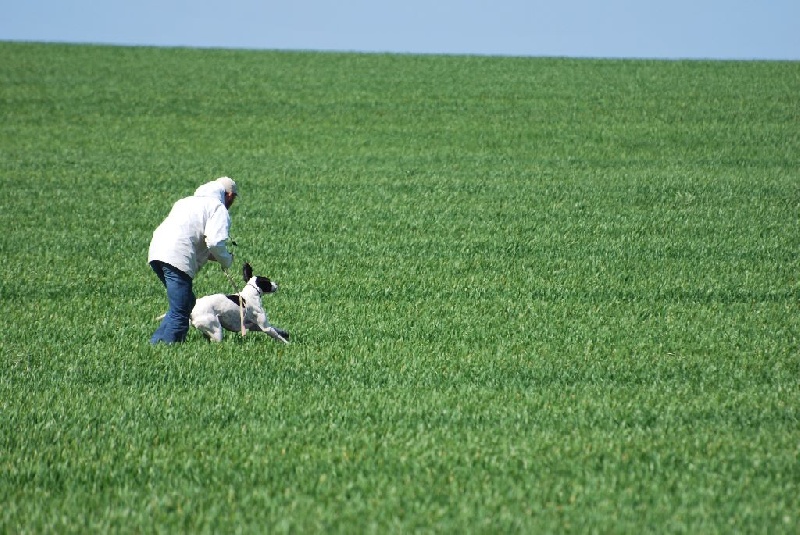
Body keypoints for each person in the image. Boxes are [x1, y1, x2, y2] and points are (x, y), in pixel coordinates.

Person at [148, 176, 238, 344]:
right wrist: (226, 260)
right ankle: (168, 347)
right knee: (181, 310)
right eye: (233, 199)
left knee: (187, 302)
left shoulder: (186, 202)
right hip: (177, 257)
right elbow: (214, 242)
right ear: (229, 195)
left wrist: (215, 256)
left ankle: (157, 343)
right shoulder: (217, 207)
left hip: (156, 252)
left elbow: (192, 237)